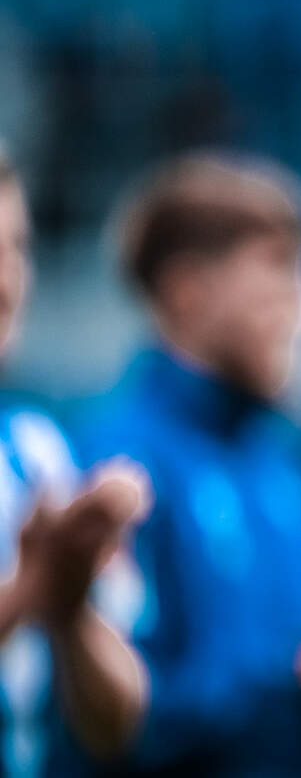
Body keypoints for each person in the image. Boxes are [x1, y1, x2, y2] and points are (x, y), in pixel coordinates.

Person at [77, 154, 301, 775]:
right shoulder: (115, 468)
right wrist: (300, 689)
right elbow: (115, 722)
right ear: (187, 289)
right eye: (278, 267)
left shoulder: (291, 459)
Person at [0, 150, 149, 776]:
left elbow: (117, 723)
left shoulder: (34, 449)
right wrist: (31, 588)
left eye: (16, 248)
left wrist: (69, 605)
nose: (7, 281)